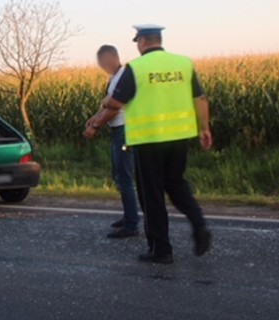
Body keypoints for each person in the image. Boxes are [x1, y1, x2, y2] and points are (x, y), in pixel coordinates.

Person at [85, 24, 213, 264]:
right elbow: (201, 98)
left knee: (151, 195)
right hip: (179, 138)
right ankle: (199, 224)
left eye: (137, 42)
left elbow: (116, 103)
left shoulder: (137, 67)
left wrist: (104, 102)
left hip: (148, 140)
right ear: (159, 40)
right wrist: (204, 128)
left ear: (142, 41)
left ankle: (161, 249)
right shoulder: (183, 64)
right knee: (177, 185)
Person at [84, 45, 140, 239]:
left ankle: (131, 224)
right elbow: (107, 105)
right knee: (118, 175)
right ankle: (128, 217)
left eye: (105, 61)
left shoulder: (124, 76)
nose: (103, 66)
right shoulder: (114, 77)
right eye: (101, 63)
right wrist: (95, 116)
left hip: (124, 130)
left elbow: (116, 107)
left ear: (115, 57)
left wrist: (96, 126)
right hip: (117, 130)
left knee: (124, 177)